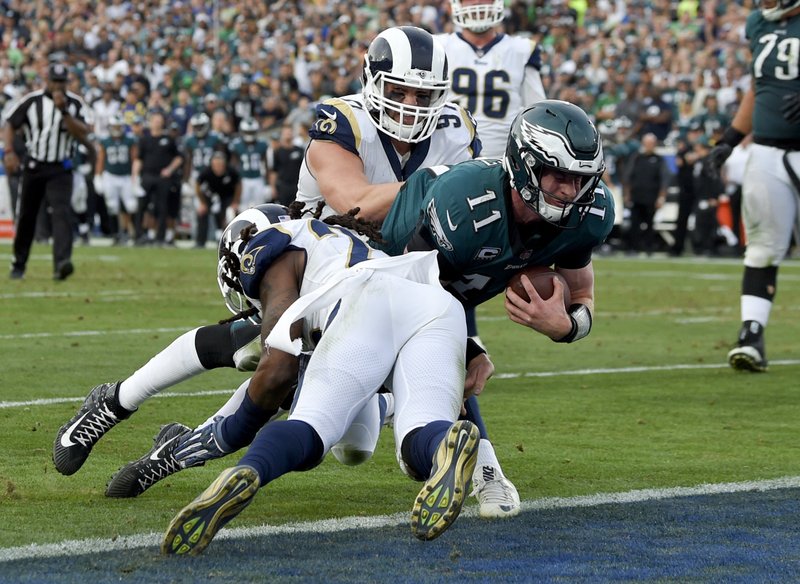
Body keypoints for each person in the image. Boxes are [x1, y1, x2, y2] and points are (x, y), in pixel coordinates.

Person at [53, 26, 519, 520]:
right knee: (270, 359)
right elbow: (352, 203)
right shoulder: (341, 121)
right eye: (398, 90)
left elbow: (447, 248)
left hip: (391, 278)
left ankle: (171, 446)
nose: (409, 104)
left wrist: (470, 332)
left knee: (358, 438)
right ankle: (121, 407)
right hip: (312, 261)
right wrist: (434, 183)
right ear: (371, 81)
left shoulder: (456, 131)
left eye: (422, 94)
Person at [160, 206, 479, 554]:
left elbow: (278, 369)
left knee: (311, 426)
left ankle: (250, 470)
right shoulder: (347, 239)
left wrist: (234, 429)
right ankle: (441, 443)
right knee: (421, 435)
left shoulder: (276, 249)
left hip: (364, 303)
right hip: (438, 307)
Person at [707, 0, 800, 373]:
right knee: (761, 248)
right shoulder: (759, 23)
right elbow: (758, 88)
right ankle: (751, 334)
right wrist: (729, 138)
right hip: (765, 151)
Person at [5, 62, 94, 281]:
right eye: (54, 81)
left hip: (60, 168)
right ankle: (19, 264)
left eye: (62, 82)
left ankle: (61, 264)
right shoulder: (31, 101)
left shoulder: (74, 103)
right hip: (35, 165)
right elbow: (9, 123)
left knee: (62, 214)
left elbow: (83, 131)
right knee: (27, 215)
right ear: (47, 80)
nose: (58, 86)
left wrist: (64, 111)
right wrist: (8, 152)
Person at [436, 0, 546, 159]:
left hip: (503, 160)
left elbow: (537, 111)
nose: (477, 2)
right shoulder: (438, 46)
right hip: (448, 156)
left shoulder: (521, 50)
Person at [132, 110, 183, 245]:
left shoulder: (169, 139)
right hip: (147, 176)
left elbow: (178, 158)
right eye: (155, 120)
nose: (157, 123)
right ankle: (139, 235)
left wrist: (169, 170)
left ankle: (160, 237)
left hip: (162, 177)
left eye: (159, 120)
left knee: (162, 207)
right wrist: (135, 176)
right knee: (142, 206)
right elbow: (138, 159)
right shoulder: (144, 140)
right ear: (150, 123)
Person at [622, 133, 671, 255]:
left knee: (650, 224)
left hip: (651, 197)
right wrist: (627, 194)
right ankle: (633, 248)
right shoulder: (636, 158)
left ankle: (649, 248)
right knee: (634, 224)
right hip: (636, 196)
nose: (649, 146)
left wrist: (661, 197)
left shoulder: (660, 160)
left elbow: (665, 179)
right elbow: (628, 177)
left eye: (651, 143)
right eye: (647, 143)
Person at [94, 115, 138, 245]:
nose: (117, 129)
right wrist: (98, 176)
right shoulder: (105, 141)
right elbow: (101, 159)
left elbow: (134, 158)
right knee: (112, 206)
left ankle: (130, 232)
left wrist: (136, 176)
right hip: (110, 176)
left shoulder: (130, 140)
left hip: (126, 176)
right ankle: (115, 235)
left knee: (131, 205)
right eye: (115, 126)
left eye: (119, 126)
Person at [194, 151, 241, 248]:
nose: (218, 167)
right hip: (210, 196)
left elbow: (238, 185)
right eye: (216, 165)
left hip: (227, 196)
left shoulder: (231, 171)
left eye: (220, 165)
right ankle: (200, 242)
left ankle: (229, 242)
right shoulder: (206, 172)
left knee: (229, 214)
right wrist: (202, 203)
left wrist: (235, 202)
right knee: (202, 213)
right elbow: (197, 186)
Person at [229, 118, 269, 209]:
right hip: (243, 179)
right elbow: (233, 166)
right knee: (242, 207)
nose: (249, 135)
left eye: (251, 132)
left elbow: (266, 165)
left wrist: (267, 184)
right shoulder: (236, 145)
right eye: (247, 132)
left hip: (258, 178)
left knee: (260, 207)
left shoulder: (262, 144)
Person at [269, 124, 304, 206]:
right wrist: (273, 188)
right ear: (282, 135)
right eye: (286, 133)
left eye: (289, 132)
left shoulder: (299, 150)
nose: (288, 135)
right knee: (284, 209)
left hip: (297, 185)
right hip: (284, 185)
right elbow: (274, 171)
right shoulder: (277, 151)